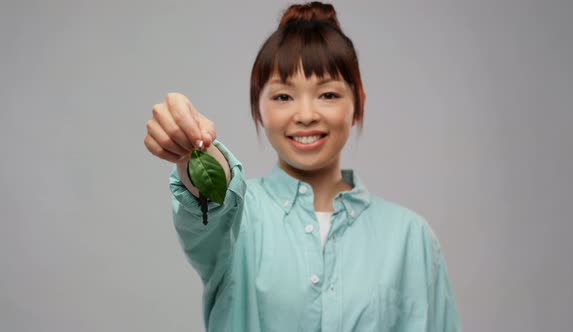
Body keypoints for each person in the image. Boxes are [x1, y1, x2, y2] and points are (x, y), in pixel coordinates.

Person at [144, 2, 461, 331]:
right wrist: (192, 144)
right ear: (257, 108)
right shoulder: (238, 221)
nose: (306, 114)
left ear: (358, 103)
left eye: (327, 94)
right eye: (283, 97)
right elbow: (214, 196)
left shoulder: (410, 238)